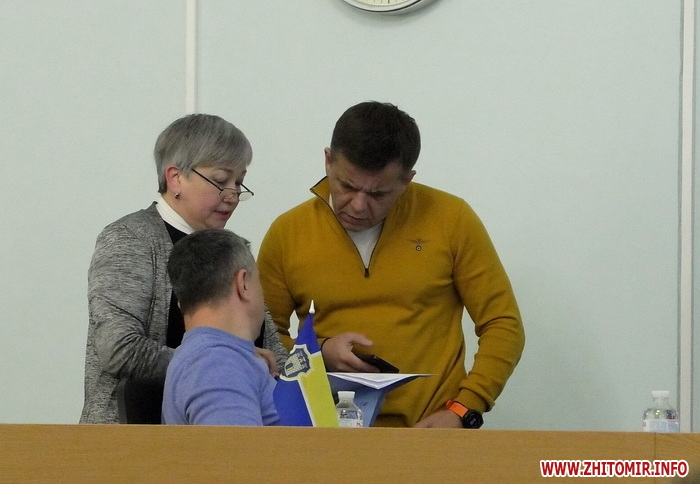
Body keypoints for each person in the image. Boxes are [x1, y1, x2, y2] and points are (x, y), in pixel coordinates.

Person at [257, 101, 525, 428]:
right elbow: (262, 339)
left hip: (434, 432)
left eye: (378, 194)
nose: (358, 205)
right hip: (322, 434)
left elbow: (503, 324)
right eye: (347, 186)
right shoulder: (287, 233)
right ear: (328, 160)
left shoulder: (452, 219)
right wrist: (319, 352)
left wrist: (463, 410)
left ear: (407, 180)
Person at [81, 114, 287, 424]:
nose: (232, 195)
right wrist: (226, 364)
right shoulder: (130, 239)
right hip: (133, 441)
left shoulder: (233, 250)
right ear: (175, 178)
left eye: (238, 182)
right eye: (220, 181)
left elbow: (275, 355)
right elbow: (119, 349)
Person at [162, 228, 280, 426]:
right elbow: (235, 446)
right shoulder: (218, 365)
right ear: (243, 284)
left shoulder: (215, 359)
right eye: (258, 281)